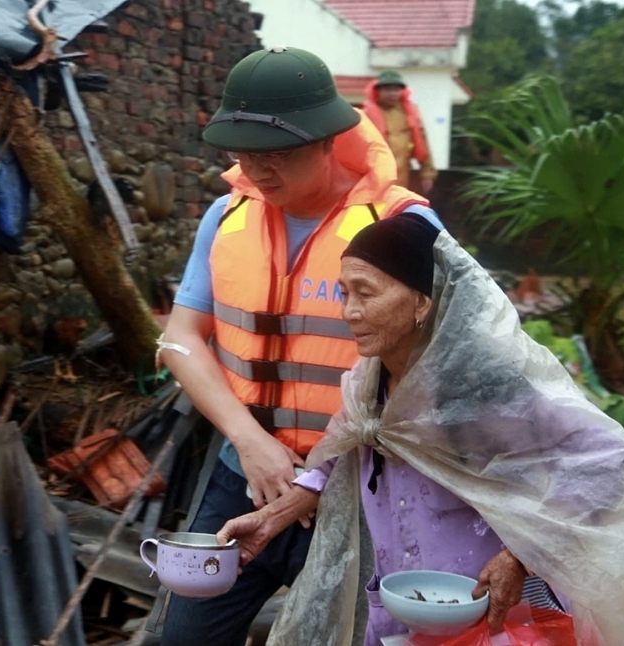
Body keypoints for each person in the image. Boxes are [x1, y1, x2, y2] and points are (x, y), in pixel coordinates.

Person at [217, 214, 624, 646]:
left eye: (365, 293)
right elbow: (342, 453)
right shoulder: (368, 382)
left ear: (423, 301)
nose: (349, 312)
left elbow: (605, 460)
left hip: (492, 612)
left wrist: (522, 558)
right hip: (406, 609)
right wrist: (271, 519)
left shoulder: (491, 385)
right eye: (344, 292)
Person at [155, 46, 444, 646]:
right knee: (184, 634)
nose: (258, 172)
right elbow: (182, 337)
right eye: (244, 155)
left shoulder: (405, 228)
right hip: (246, 472)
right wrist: (251, 442)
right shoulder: (225, 216)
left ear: (328, 141)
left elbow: (448, 366)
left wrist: (318, 475)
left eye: (278, 155)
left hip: (365, 490)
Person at [363, 70, 437, 195]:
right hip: (374, 178)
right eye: (387, 89)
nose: (392, 93)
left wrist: (427, 174)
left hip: (404, 177)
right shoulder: (366, 115)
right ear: (378, 91)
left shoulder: (410, 114)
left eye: (396, 89)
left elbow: (423, 145)